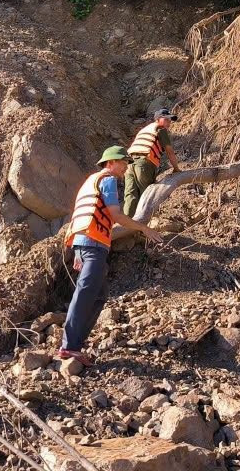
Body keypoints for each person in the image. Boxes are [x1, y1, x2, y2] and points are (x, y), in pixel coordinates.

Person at [60, 145, 161, 365]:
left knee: (98, 295)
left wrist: (77, 251)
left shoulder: (90, 180)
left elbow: (82, 215)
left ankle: (75, 344)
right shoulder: (108, 180)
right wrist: (143, 228)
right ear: (111, 162)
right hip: (93, 245)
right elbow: (116, 215)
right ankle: (69, 347)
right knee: (86, 292)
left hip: (86, 244)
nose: (126, 167)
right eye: (123, 163)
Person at [123, 108, 182, 216]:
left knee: (130, 196)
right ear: (158, 119)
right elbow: (170, 152)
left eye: (170, 120)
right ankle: (144, 223)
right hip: (144, 163)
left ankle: (126, 223)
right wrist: (176, 169)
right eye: (166, 119)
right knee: (147, 196)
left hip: (129, 164)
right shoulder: (160, 129)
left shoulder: (145, 130)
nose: (169, 123)